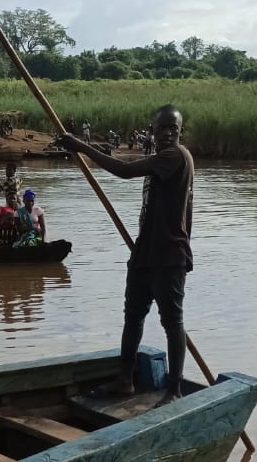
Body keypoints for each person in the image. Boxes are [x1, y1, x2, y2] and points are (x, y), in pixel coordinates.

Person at [60, 104, 192, 400]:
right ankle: (125, 379)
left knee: (172, 322)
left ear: (180, 131)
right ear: (153, 131)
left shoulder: (175, 156)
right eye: (161, 128)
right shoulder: (159, 160)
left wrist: (81, 146)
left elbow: (123, 170)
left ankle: (174, 389)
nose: (167, 133)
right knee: (133, 316)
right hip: (145, 253)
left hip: (169, 256)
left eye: (173, 128)